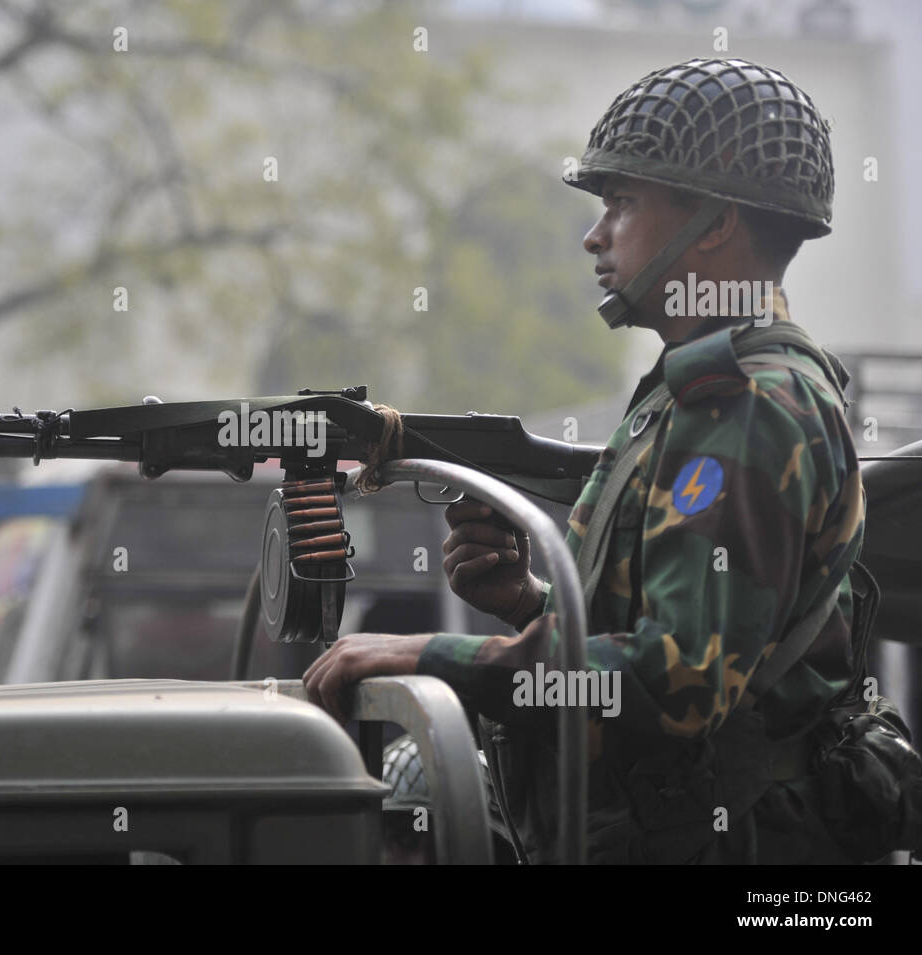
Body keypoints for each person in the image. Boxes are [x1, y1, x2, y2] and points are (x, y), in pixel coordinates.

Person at [304, 57, 869, 863]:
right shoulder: (693, 392)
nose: (594, 234)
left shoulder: (746, 404)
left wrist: (427, 656)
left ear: (712, 222)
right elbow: (666, 644)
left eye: (622, 203)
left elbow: (675, 681)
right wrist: (534, 607)